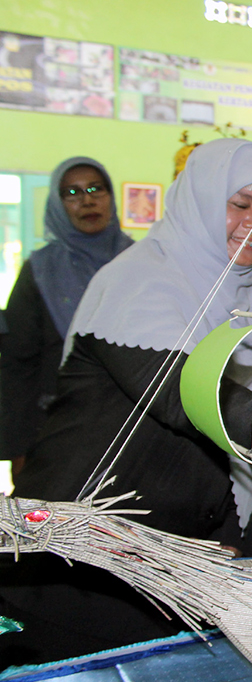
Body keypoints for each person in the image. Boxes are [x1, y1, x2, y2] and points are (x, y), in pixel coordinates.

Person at [0, 138, 252, 664]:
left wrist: (241, 537)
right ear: (199, 200)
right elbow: (182, 391)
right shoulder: (140, 279)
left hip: (176, 559)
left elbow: (246, 445)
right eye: (239, 204)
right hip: (82, 558)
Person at [0, 157, 133, 481]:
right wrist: (18, 449)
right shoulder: (40, 270)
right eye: (72, 193)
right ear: (58, 204)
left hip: (128, 430)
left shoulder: (139, 262)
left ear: (110, 196)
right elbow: (17, 365)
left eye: (96, 189)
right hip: (52, 429)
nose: (87, 200)